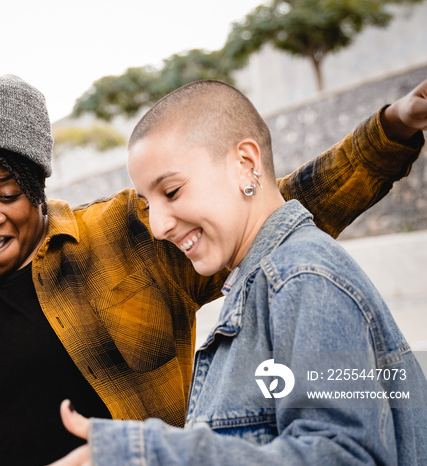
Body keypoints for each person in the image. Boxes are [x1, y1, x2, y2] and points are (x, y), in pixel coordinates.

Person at [0, 74, 425, 465]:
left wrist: (390, 131)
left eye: (8, 193)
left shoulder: (132, 233)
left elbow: (278, 205)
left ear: (41, 185)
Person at [53, 79, 427, 465]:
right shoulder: (264, 282)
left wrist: (153, 453)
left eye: (172, 192)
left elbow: (343, 456)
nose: (158, 226)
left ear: (246, 164)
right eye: (149, 204)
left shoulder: (300, 278)